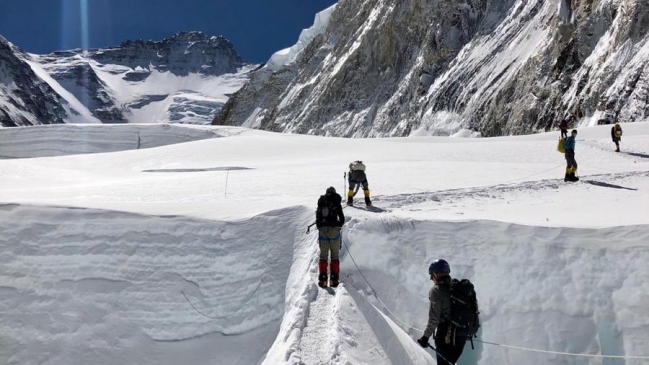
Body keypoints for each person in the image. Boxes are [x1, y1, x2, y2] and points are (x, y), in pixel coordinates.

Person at [417, 259, 466, 365]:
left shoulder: (436, 291)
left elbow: (434, 319)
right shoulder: (456, 288)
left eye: (432, 275)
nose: (432, 278)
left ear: (436, 273)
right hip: (460, 337)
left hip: (445, 337)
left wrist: (425, 337)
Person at [315, 187, 345, 288]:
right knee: (334, 255)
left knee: (323, 255)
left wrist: (321, 227)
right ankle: (334, 280)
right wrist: (337, 227)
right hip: (334, 231)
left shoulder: (322, 201)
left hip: (323, 231)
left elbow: (318, 216)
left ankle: (323, 280)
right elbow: (342, 219)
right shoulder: (336, 201)